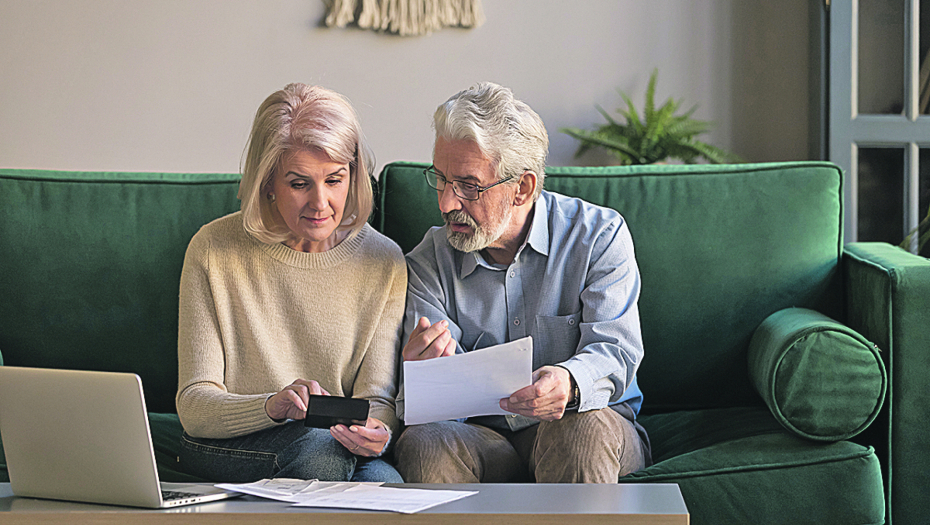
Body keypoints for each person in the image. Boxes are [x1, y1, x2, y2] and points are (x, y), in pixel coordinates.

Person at [393, 82, 651, 484]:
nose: (446, 203)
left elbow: (615, 350)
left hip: (587, 423)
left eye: (469, 186)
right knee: (426, 441)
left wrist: (570, 383)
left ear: (523, 188)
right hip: (482, 438)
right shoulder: (429, 260)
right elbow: (427, 406)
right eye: (441, 179)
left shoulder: (598, 236)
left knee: (582, 429)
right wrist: (422, 377)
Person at [176, 83, 406, 483]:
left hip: (335, 445)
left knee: (386, 484)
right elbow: (195, 405)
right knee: (320, 453)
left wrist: (378, 432)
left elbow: (377, 400)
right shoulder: (212, 249)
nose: (320, 203)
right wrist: (272, 406)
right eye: (299, 184)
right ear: (267, 181)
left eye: (334, 180)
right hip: (232, 442)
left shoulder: (384, 261)